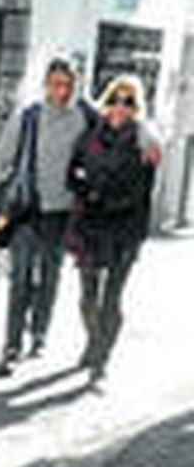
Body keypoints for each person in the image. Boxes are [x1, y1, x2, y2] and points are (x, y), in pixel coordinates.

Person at [0, 58, 93, 374]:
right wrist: (0, 198)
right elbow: (2, 158)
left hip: (62, 213)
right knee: (20, 277)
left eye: (67, 84)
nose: (61, 91)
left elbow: (118, 130)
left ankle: (39, 334)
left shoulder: (85, 117)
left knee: (50, 275)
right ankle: (11, 343)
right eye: (55, 83)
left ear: (76, 85)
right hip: (26, 210)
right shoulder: (29, 116)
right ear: (46, 84)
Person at [67, 73, 159, 385]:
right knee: (87, 298)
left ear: (136, 107)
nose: (120, 107)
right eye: (116, 100)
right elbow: (72, 172)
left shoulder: (145, 140)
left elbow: (142, 190)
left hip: (124, 229)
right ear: (107, 102)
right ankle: (94, 342)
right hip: (89, 226)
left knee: (111, 299)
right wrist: (83, 189)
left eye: (128, 101)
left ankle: (100, 361)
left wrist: (104, 199)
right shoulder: (90, 135)